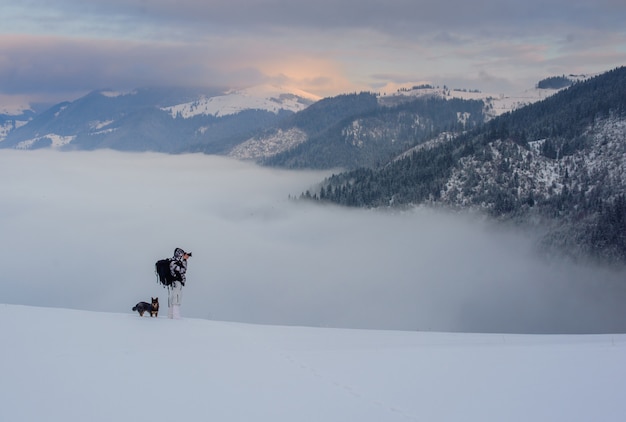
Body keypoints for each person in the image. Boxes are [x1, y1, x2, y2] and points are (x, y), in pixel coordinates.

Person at [168, 247, 191, 319]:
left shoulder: (176, 262)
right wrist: (184, 260)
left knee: (174, 298)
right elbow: (182, 271)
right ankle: (176, 316)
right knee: (176, 298)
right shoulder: (174, 262)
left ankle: (171, 316)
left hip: (177, 283)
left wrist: (184, 260)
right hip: (176, 282)